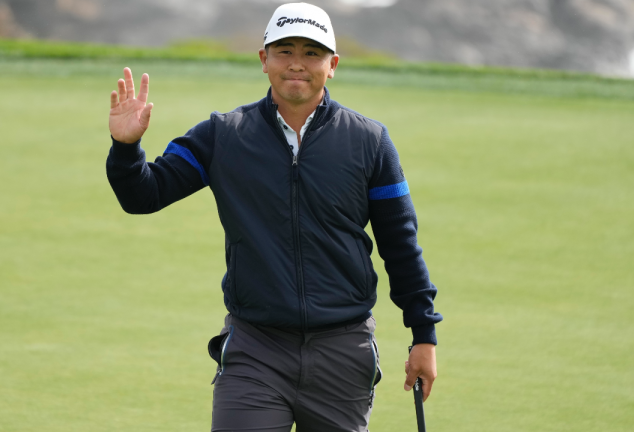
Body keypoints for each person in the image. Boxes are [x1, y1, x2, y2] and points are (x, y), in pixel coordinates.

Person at [106, 3, 442, 431]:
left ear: (332, 65)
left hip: (343, 350)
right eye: (284, 51)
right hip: (255, 349)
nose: (297, 64)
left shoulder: (369, 142)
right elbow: (144, 195)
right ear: (263, 60)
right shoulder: (222, 136)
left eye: (311, 53)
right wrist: (125, 149)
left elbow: (400, 244)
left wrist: (423, 335)